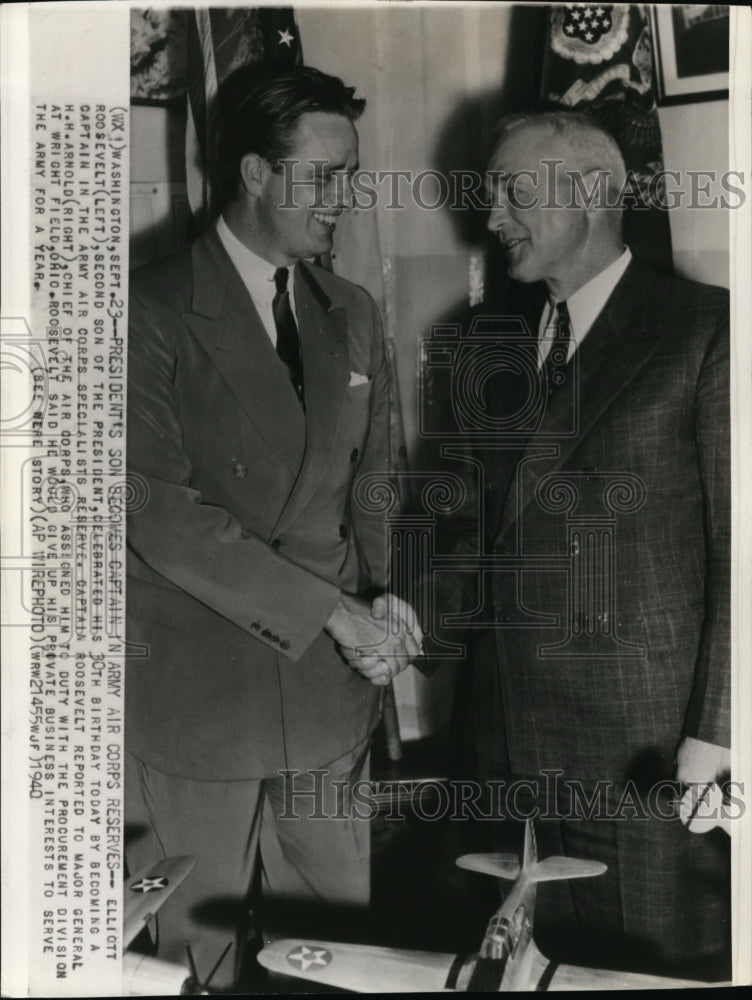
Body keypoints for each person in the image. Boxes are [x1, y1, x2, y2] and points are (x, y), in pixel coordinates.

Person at [125, 64, 420, 990]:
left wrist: (388, 594)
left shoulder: (353, 312)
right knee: (187, 962)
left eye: (351, 175)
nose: (346, 198)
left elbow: (376, 481)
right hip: (194, 704)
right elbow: (159, 515)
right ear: (254, 173)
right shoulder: (147, 308)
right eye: (323, 177)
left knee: (339, 960)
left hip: (329, 704)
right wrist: (336, 612)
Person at [443, 111, 730, 978]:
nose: (492, 218)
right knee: (527, 965)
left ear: (595, 192)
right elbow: (474, 532)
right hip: (506, 744)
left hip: (642, 754)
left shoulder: (706, 332)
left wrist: (714, 738)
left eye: (514, 191)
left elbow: (743, 556)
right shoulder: (489, 340)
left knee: (646, 964)